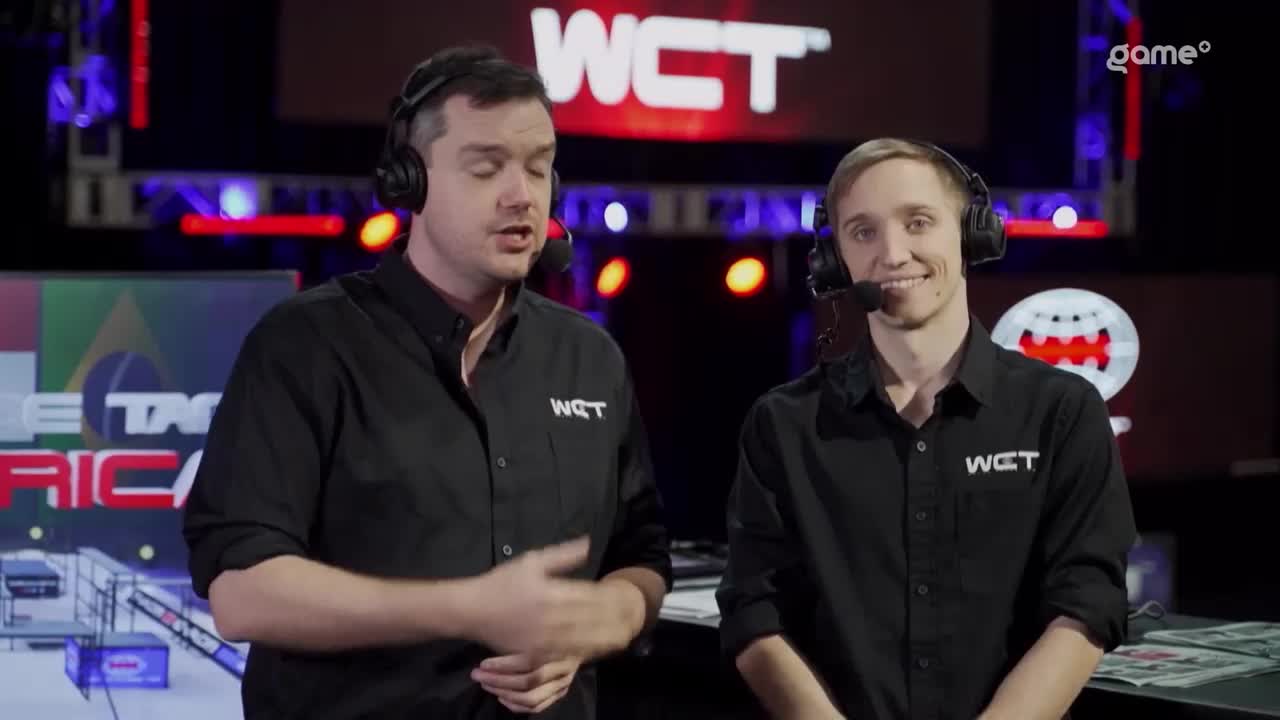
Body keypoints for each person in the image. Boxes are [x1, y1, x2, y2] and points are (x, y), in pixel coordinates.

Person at [182, 46, 672, 719]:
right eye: (486, 167)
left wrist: (598, 626)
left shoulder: (590, 357)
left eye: (539, 167)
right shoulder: (304, 347)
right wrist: (467, 607)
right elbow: (240, 593)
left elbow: (640, 559)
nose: (521, 194)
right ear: (409, 182)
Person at [715, 138, 1137, 720]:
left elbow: (1088, 604)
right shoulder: (783, 426)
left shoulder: (1062, 413)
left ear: (970, 234)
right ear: (833, 258)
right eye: (863, 232)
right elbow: (752, 612)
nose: (893, 253)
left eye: (917, 222)